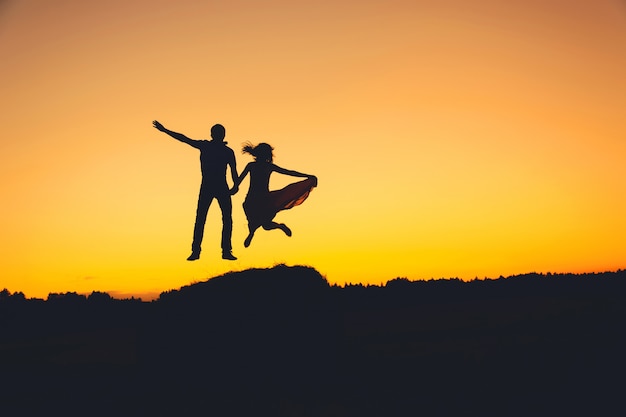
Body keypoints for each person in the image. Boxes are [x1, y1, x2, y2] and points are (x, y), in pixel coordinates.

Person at [152, 120, 239, 261]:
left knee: (225, 219)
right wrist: (165, 130)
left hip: (220, 186)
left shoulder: (227, 151)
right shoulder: (207, 146)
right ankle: (196, 251)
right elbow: (184, 139)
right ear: (213, 134)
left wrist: (236, 186)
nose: (219, 135)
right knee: (202, 218)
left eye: (221, 133)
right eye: (217, 133)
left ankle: (225, 251)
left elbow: (233, 170)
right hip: (208, 186)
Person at [234, 142, 317, 248]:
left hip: (264, 199)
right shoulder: (252, 166)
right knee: (253, 219)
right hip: (252, 198)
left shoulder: (269, 167)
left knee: (266, 226)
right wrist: (234, 188)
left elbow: (289, 172)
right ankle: (252, 232)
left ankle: (278, 227)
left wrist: (307, 175)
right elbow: (240, 179)